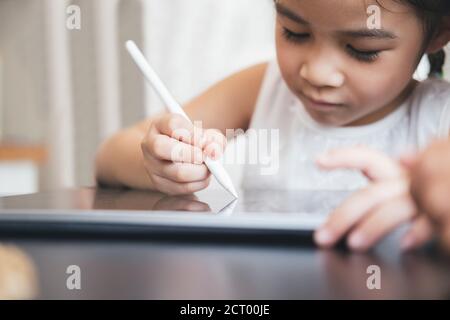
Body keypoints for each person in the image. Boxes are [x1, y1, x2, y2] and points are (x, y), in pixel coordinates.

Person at [96, 0, 450, 251]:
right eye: (294, 32)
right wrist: (161, 159)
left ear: (438, 34)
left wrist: (429, 202)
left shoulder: (439, 118)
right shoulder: (264, 87)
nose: (317, 73)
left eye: (361, 49)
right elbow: (109, 157)